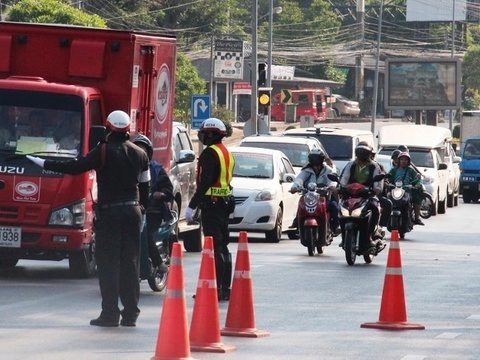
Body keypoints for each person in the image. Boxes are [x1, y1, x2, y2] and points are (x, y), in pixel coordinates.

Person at [26, 110, 150, 327]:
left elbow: (75, 167)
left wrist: (44, 163)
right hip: (132, 212)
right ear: (127, 129)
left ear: (109, 128)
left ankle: (110, 314)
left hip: (110, 214)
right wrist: (142, 211)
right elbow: (145, 187)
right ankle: (131, 314)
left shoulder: (102, 151)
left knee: (108, 263)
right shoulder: (140, 154)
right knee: (131, 263)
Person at [185, 118, 235, 302]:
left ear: (212, 134)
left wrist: (192, 205)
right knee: (222, 246)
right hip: (224, 203)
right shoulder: (225, 152)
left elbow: (205, 182)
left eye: (205, 133)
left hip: (212, 204)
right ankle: (224, 288)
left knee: (213, 247)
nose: (202, 136)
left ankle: (215, 289)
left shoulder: (209, 154)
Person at [132, 134, 172, 274]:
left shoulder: (156, 169)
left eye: (142, 150)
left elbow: (169, 190)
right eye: (136, 149)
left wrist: (160, 194)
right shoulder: (127, 167)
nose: (139, 153)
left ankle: (158, 262)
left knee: (145, 234)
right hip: (132, 209)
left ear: (147, 153)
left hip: (152, 212)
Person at [339, 141, 385, 248]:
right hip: (351, 195)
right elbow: (344, 178)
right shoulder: (351, 165)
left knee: (374, 208)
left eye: (364, 152)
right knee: (340, 210)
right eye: (359, 152)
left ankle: (371, 234)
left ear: (369, 153)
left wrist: (376, 189)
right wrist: (341, 187)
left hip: (367, 195)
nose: (361, 155)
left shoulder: (375, 166)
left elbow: (378, 182)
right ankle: (343, 236)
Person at [289, 148, 340, 236]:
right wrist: (295, 187)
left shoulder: (328, 170)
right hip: (309, 196)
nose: (315, 161)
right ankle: (297, 224)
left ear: (321, 159)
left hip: (324, 196)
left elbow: (332, 181)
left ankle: (336, 226)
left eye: (317, 158)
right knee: (301, 204)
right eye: (313, 158)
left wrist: (331, 186)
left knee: (334, 206)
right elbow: (299, 180)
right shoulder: (306, 170)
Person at [388, 152, 424, 226]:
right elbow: (388, 179)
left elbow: (417, 180)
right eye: (402, 159)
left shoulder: (411, 170)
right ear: (399, 160)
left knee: (417, 197)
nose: (404, 161)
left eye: (405, 160)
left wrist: (417, 184)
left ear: (408, 161)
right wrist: (387, 183)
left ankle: (417, 218)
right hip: (395, 191)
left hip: (407, 192)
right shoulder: (393, 170)